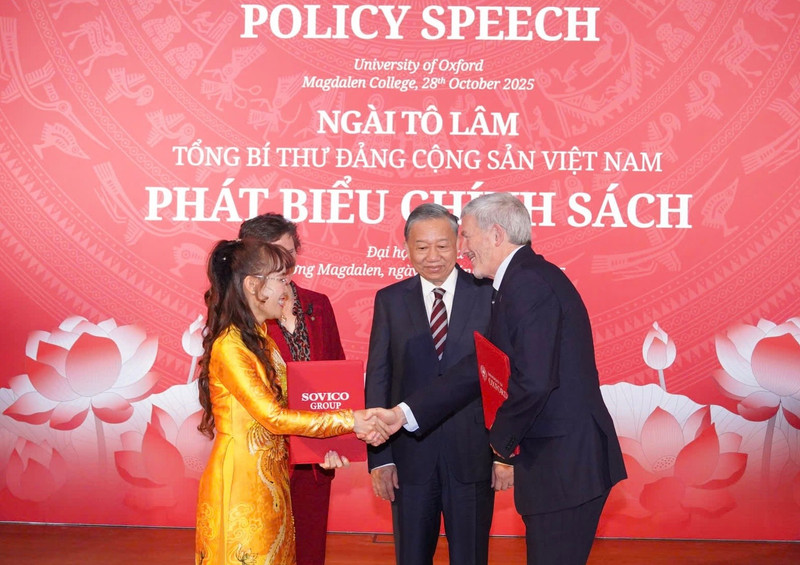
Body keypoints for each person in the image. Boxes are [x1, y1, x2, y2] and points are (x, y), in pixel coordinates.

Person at [383, 193, 627, 564]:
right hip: (557, 463)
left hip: (566, 466)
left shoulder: (527, 283)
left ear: (496, 236)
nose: (462, 249)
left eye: (466, 236)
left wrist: (497, 443)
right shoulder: (518, 281)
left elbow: (535, 382)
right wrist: (404, 414)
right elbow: (477, 368)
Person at [194, 238, 388, 565]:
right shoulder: (232, 346)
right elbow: (274, 417)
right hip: (242, 482)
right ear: (254, 286)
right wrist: (349, 421)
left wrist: (330, 446)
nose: (288, 289)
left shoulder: (261, 340)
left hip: (271, 478)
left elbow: (296, 406)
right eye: (282, 280)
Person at [365, 203, 503, 565]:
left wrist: (504, 453)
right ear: (407, 248)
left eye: (442, 246)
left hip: (473, 455)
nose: (432, 257)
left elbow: (500, 381)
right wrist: (380, 459)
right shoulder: (390, 300)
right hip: (410, 459)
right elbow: (379, 378)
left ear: (460, 244)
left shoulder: (488, 294)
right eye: (421, 247)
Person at [239, 213, 345, 565]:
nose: (283, 267)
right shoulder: (239, 316)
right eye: (272, 257)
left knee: (309, 548)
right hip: (262, 456)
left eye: (288, 254)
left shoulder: (318, 304)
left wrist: (336, 439)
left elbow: (337, 377)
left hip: (314, 456)